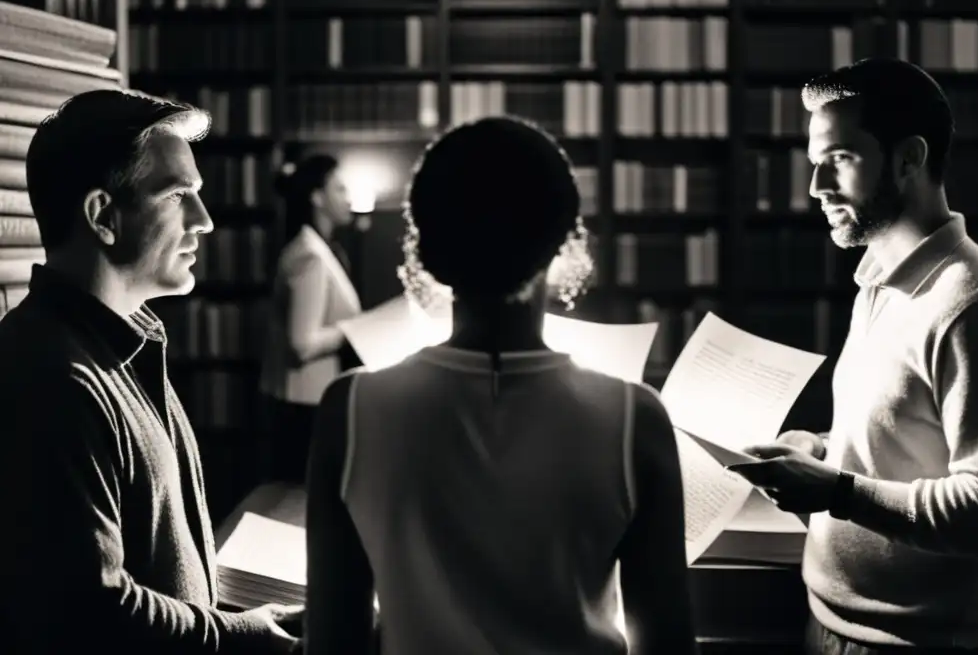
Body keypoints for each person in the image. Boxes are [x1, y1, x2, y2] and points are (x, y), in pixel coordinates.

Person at [303, 116, 697, 655]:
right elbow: (668, 644)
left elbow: (332, 643)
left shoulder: (349, 409)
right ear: (564, 239)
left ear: (427, 248)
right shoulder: (635, 416)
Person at [727, 59, 978, 654]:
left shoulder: (976, 305)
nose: (816, 187)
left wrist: (835, 490)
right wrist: (819, 448)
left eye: (839, 159)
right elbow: (903, 438)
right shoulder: (878, 281)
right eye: (815, 163)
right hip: (829, 623)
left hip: (919, 644)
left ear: (909, 159)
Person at [0, 89, 302, 654]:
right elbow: (86, 609)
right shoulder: (51, 379)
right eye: (179, 196)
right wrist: (240, 636)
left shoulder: (127, 344)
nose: (206, 221)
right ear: (102, 216)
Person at [259, 154, 362, 483]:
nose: (349, 199)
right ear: (317, 197)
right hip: (302, 406)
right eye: (341, 189)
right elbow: (301, 344)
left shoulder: (317, 249)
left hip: (306, 402)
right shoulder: (310, 255)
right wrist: (357, 329)